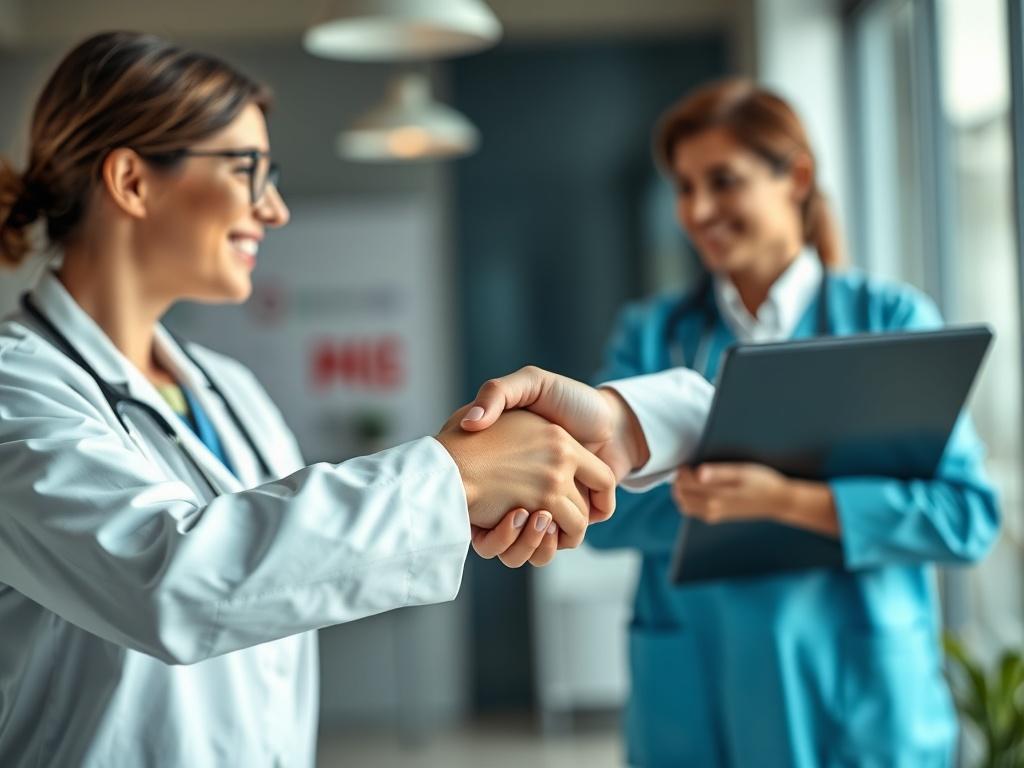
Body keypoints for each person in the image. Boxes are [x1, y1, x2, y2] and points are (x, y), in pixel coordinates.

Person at [0, 32, 716, 767]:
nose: (273, 209)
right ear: (132, 181)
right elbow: (170, 584)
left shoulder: (229, 390)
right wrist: (456, 476)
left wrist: (467, 500)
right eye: (247, 170)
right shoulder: (14, 391)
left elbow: (277, 569)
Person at [577, 79, 1001, 766]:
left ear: (796, 177)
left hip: (855, 695)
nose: (699, 209)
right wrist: (726, 500)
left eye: (723, 181)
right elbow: (595, 510)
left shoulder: (890, 323)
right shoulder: (651, 336)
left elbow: (966, 517)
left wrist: (786, 501)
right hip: (695, 687)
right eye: (684, 187)